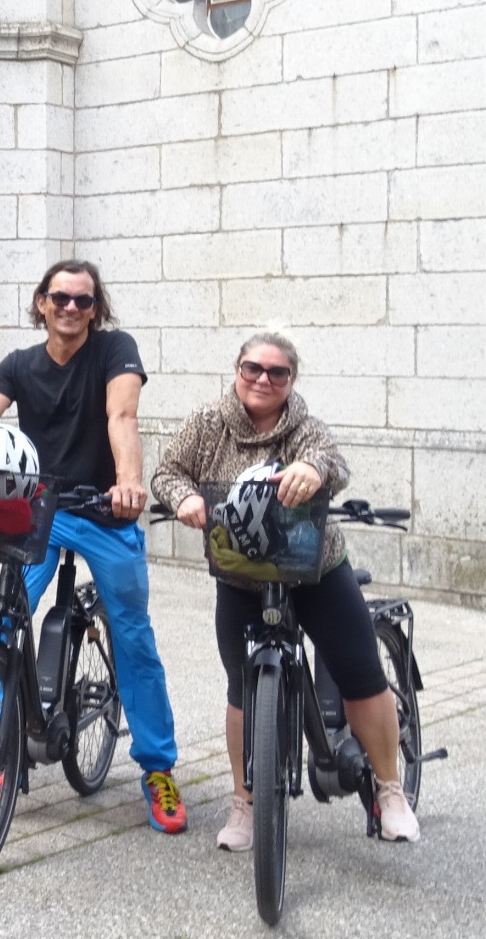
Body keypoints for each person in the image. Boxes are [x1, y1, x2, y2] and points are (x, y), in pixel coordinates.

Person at [0, 259, 186, 834]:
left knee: (131, 634)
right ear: (41, 303)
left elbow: (122, 414)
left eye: (83, 302)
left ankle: (157, 768)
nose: (70, 309)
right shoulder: (19, 365)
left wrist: (128, 480)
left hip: (103, 509)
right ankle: (11, 732)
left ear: (95, 309)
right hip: (38, 509)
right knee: (3, 622)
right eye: (60, 298)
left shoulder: (115, 351)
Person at [151, 332, 419, 847]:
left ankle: (390, 790)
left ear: (291, 380)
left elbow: (334, 463)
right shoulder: (208, 424)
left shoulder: (305, 427)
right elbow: (168, 471)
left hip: (313, 568)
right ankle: (245, 804)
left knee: (360, 672)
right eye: (253, 368)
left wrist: (312, 469)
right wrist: (182, 497)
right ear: (237, 370)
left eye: (278, 372)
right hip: (240, 574)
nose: (263, 380)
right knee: (240, 686)